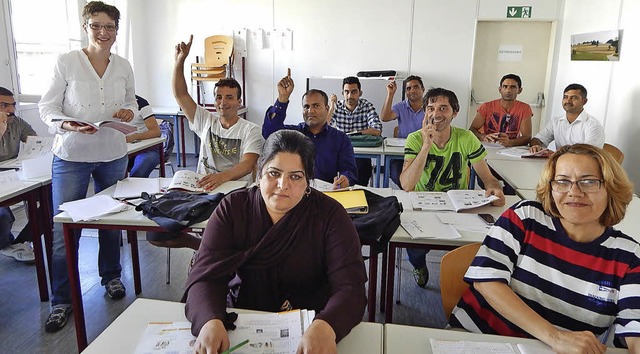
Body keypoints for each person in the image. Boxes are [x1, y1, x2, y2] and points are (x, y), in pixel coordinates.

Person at [184, 130, 367, 353]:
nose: (282, 185)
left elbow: (350, 288)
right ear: (259, 173)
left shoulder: (330, 216)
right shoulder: (233, 209)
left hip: (311, 327)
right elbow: (205, 276)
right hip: (242, 323)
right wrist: (209, 320)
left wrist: (327, 325)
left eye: (295, 176)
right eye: (273, 173)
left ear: (309, 181)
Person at [450, 144, 640, 353]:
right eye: (562, 181)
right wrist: (555, 337)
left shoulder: (629, 257)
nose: (574, 192)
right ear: (551, 187)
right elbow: (487, 282)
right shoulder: (526, 217)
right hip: (479, 340)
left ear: (611, 188)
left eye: (588, 182)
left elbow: (635, 328)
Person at [39, 1, 135, 332]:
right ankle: (62, 300)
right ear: (85, 27)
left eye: (110, 27)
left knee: (111, 219)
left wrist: (126, 112)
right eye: (97, 25)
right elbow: (47, 107)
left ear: (116, 30)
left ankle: (111, 277)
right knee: (64, 228)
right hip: (71, 155)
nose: (103, 32)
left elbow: (131, 102)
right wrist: (67, 124)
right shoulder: (66, 62)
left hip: (111, 152)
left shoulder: (122, 65)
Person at [162, 35, 264, 250]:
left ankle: (207, 252)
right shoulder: (206, 121)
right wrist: (179, 61)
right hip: (203, 191)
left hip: (236, 193)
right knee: (158, 234)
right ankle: (203, 248)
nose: (222, 102)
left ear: (239, 101)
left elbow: (247, 164)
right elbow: (181, 94)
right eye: (218, 97)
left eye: (229, 97)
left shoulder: (250, 130)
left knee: (224, 231)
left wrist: (220, 177)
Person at [400, 88, 505, 288]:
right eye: (430, 108)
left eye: (443, 108)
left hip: (460, 207)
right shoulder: (415, 138)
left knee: (470, 247)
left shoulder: (466, 138)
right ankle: (419, 266)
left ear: (454, 112)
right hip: (424, 205)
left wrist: (495, 189)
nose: (436, 114)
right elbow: (406, 184)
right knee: (414, 247)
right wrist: (426, 146)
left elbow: (488, 179)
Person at [263, 69, 357, 189]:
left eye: (316, 106)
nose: (310, 111)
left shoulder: (340, 139)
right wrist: (283, 98)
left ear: (327, 108)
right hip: (294, 192)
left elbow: (349, 170)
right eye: (306, 106)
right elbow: (269, 132)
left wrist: (345, 179)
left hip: (326, 194)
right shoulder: (294, 135)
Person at [0, 87, 37, 262]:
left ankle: (19, 242)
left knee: (51, 205)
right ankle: (6, 244)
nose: (11, 110)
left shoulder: (16, 121)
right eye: (4, 105)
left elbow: (36, 143)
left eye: (13, 105)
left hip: (14, 175)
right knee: (3, 217)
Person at [330, 76, 383, 186]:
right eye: (347, 92)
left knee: (361, 170)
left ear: (360, 93)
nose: (350, 96)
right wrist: (331, 106)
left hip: (361, 153)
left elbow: (377, 129)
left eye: (354, 92)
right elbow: (324, 126)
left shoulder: (367, 106)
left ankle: (358, 195)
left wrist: (356, 133)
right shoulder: (337, 106)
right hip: (341, 152)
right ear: (343, 93)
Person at [529, 83, 605, 153]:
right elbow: (537, 139)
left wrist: (556, 154)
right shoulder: (556, 122)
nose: (568, 101)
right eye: (565, 97)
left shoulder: (593, 125)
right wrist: (536, 146)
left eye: (574, 98)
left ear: (584, 101)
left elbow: (588, 154)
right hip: (560, 164)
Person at [380, 75, 426, 188]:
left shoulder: (430, 107)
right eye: (408, 88)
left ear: (423, 89)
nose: (412, 90)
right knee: (396, 174)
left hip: (424, 150)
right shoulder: (401, 107)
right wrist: (390, 94)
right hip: (403, 152)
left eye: (416, 87)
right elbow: (384, 117)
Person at [469, 73, 532, 147]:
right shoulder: (486, 106)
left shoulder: (525, 108)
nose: (508, 90)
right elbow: (472, 129)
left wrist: (510, 143)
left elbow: (527, 137)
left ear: (520, 90)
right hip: (488, 146)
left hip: (511, 149)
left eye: (513, 87)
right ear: (500, 89)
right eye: (505, 86)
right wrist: (483, 137)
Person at [126, 95, 162, 178]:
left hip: (145, 150)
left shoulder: (141, 103)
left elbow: (156, 132)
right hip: (122, 151)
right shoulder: (109, 104)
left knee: (143, 163)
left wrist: (134, 137)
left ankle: (134, 186)